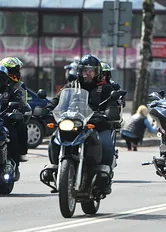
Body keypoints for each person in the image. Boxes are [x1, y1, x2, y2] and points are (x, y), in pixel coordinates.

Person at [48, 54, 117, 195]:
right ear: (79, 71)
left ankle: (105, 176)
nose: (88, 74)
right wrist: (47, 109)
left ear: (97, 72)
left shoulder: (105, 88)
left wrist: (110, 112)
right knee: (54, 139)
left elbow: (112, 103)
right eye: (85, 70)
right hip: (74, 123)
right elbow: (57, 100)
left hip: (97, 125)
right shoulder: (72, 86)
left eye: (91, 70)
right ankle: (55, 169)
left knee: (106, 144)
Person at [0, 64, 29, 180]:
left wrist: (16, 109)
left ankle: (15, 164)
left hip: (5, 120)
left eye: (0, 77)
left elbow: (19, 103)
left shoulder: (12, 91)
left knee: (13, 136)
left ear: (6, 78)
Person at [0, 57, 30, 164]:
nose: (16, 73)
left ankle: (20, 154)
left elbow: (22, 102)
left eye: (17, 70)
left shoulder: (19, 85)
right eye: (13, 70)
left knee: (19, 128)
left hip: (9, 115)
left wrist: (18, 109)